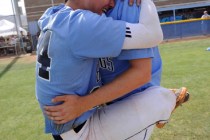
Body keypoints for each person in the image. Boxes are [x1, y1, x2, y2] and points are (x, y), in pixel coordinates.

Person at [43, 0, 189, 140]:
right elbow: (152, 34)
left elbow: (142, 73)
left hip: (78, 120)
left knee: (156, 96)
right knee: (161, 97)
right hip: (80, 125)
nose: (112, 3)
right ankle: (166, 104)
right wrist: (83, 104)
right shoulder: (84, 23)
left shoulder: (52, 15)